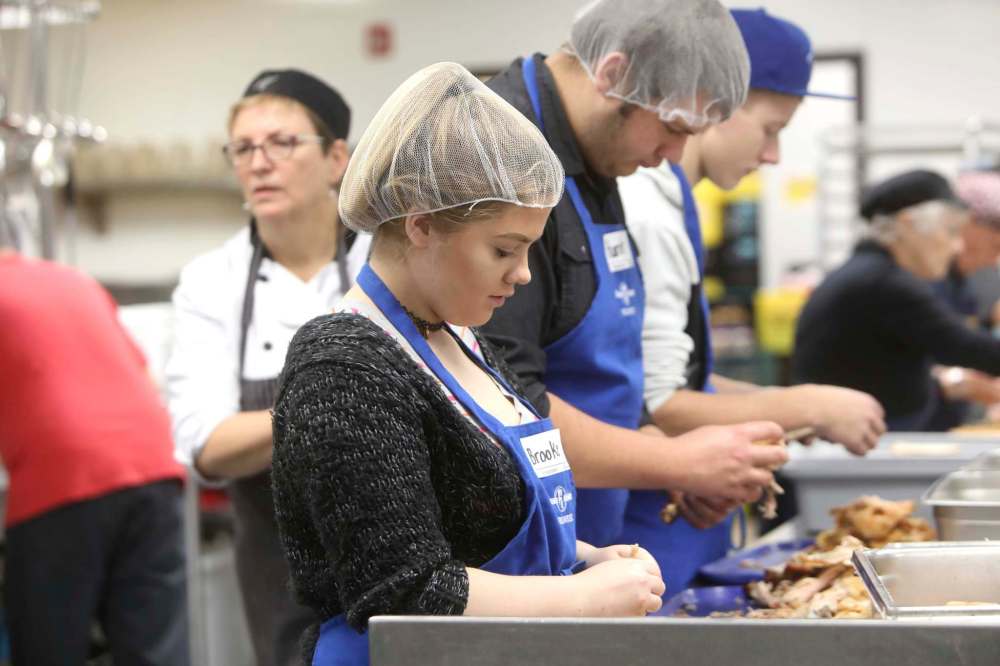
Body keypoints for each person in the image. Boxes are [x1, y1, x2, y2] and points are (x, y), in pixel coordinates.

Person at [271, 62, 665, 666]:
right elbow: (406, 590)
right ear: (421, 225)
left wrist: (585, 559)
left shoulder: (463, 338)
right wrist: (580, 597)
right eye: (504, 250)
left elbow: (483, 527)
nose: (523, 274)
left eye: (529, 249)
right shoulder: (342, 369)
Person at [481, 0, 787, 559]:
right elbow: (497, 396)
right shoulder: (504, 159)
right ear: (614, 73)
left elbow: (608, 368)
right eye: (671, 128)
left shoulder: (598, 156)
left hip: (585, 537)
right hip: (512, 550)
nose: (672, 155)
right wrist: (670, 459)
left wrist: (662, 460)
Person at [616, 8, 886, 591]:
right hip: (643, 527)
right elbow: (659, 404)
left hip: (678, 522)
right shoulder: (647, 210)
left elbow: (672, 374)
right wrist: (807, 404)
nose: (773, 156)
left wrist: (776, 406)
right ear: (714, 102)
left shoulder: (674, 202)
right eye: (770, 129)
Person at [165, 69, 370, 666]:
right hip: (279, 577)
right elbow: (205, 445)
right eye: (243, 148)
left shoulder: (388, 259)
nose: (259, 163)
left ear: (337, 159)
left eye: (282, 143)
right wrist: (326, 409)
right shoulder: (212, 281)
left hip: (400, 551)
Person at [0, 233, 188, 665]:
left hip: (64, 478)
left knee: (47, 649)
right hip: (153, 463)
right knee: (155, 653)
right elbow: (146, 378)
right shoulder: (74, 280)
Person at [792, 169, 1000, 431]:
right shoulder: (884, 283)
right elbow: (963, 346)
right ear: (907, 225)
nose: (957, 247)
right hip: (860, 443)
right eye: (950, 231)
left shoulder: (871, 272)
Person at [926, 169, 1000, 429]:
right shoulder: (926, 279)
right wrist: (962, 383)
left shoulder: (961, 284)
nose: (993, 260)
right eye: (995, 246)